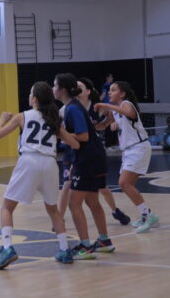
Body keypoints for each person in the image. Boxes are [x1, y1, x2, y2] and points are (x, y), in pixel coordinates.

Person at [0, 82, 80, 269]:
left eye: (30, 93)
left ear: (34, 98)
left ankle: (7, 248)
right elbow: (75, 144)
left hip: (29, 161)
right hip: (49, 163)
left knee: (7, 207)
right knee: (53, 210)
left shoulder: (22, 116)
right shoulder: (54, 120)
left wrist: (2, 119)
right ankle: (64, 249)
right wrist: (57, 135)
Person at [53, 73, 114, 260]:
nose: (53, 89)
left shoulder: (72, 109)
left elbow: (84, 136)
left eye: (55, 85)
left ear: (62, 89)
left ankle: (85, 246)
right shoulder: (73, 107)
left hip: (87, 159)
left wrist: (61, 134)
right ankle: (104, 240)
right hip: (95, 157)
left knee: (74, 203)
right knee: (92, 202)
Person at [95, 81, 159, 234]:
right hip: (128, 151)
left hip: (138, 147)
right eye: (109, 90)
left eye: (113, 90)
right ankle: (146, 214)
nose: (109, 92)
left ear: (122, 94)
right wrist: (98, 122)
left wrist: (107, 106)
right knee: (127, 185)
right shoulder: (116, 112)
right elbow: (102, 125)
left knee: (123, 183)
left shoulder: (127, 104)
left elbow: (128, 113)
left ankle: (149, 216)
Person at [77, 78, 130, 226]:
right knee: (71, 187)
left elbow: (110, 118)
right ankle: (58, 217)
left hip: (95, 150)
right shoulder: (70, 108)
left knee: (101, 187)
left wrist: (109, 123)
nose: (76, 88)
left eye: (79, 86)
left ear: (88, 91)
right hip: (78, 151)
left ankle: (115, 211)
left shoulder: (97, 107)